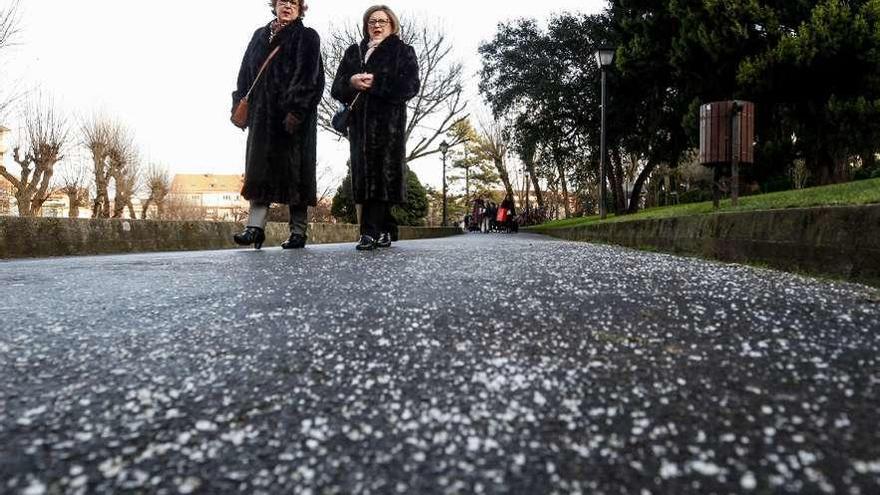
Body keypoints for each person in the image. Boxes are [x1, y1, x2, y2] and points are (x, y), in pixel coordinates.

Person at [231, 0, 324, 250]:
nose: (287, 5)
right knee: (259, 170)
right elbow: (245, 73)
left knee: (296, 173)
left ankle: (298, 231)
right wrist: (239, 104)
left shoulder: (308, 36)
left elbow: (311, 78)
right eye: (282, 0)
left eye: (294, 2)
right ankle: (255, 228)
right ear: (274, 5)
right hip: (262, 116)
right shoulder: (259, 35)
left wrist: (296, 111)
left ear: (301, 7)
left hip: (293, 117)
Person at [331, 5, 420, 251]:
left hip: (388, 126)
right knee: (365, 176)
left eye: (382, 21)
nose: (377, 25)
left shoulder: (403, 51)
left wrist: (376, 82)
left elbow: (411, 86)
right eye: (372, 21)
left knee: (382, 176)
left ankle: (370, 232)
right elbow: (336, 88)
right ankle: (385, 230)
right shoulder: (353, 52)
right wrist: (351, 82)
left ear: (392, 25)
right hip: (359, 126)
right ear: (366, 25)